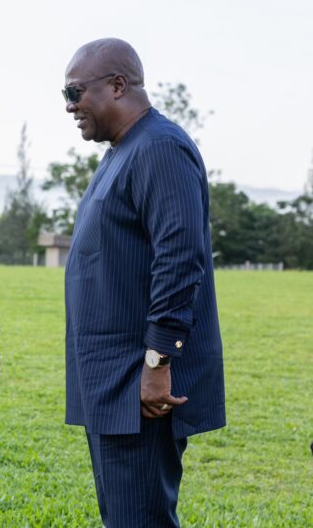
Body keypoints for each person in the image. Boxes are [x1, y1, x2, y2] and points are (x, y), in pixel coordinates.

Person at [61, 38, 226, 527]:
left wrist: (157, 361)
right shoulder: (121, 151)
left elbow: (180, 258)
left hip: (142, 384)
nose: (69, 107)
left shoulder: (159, 147)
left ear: (117, 85)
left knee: (140, 518)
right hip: (112, 380)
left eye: (74, 93)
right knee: (124, 516)